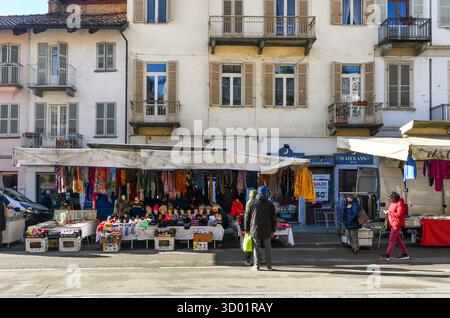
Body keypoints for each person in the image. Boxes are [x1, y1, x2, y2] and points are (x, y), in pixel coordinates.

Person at [244, 186, 276, 271]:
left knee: (256, 247)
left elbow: (247, 217)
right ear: (266, 193)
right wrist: (273, 230)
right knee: (268, 247)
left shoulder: (252, 203)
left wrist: (246, 229)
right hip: (267, 229)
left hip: (255, 229)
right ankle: (269, 266)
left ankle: (256, 265)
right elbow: (274, 219)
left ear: (258, 193)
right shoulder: (270, 204)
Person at [380, 192, 410, 261]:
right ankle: (405, 254)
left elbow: (400, 214)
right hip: (393, 223)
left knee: (391, 239)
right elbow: (393, 211)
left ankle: (387, 255)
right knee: (398, 240)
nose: (390, 200)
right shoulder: (394, 202)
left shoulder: (400, 203)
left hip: (396, 224)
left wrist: (389, 212)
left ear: (395, 198)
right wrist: (388, 211)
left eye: (390, 198)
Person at [241, 189, 257, 266]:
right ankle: (247, 260)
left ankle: (257, 259)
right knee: (250, 244)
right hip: (251, 227)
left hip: (252, 226)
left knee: (253, 244)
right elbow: (247, 217)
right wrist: (246, 229)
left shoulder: (250, 202)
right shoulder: (250, 203)